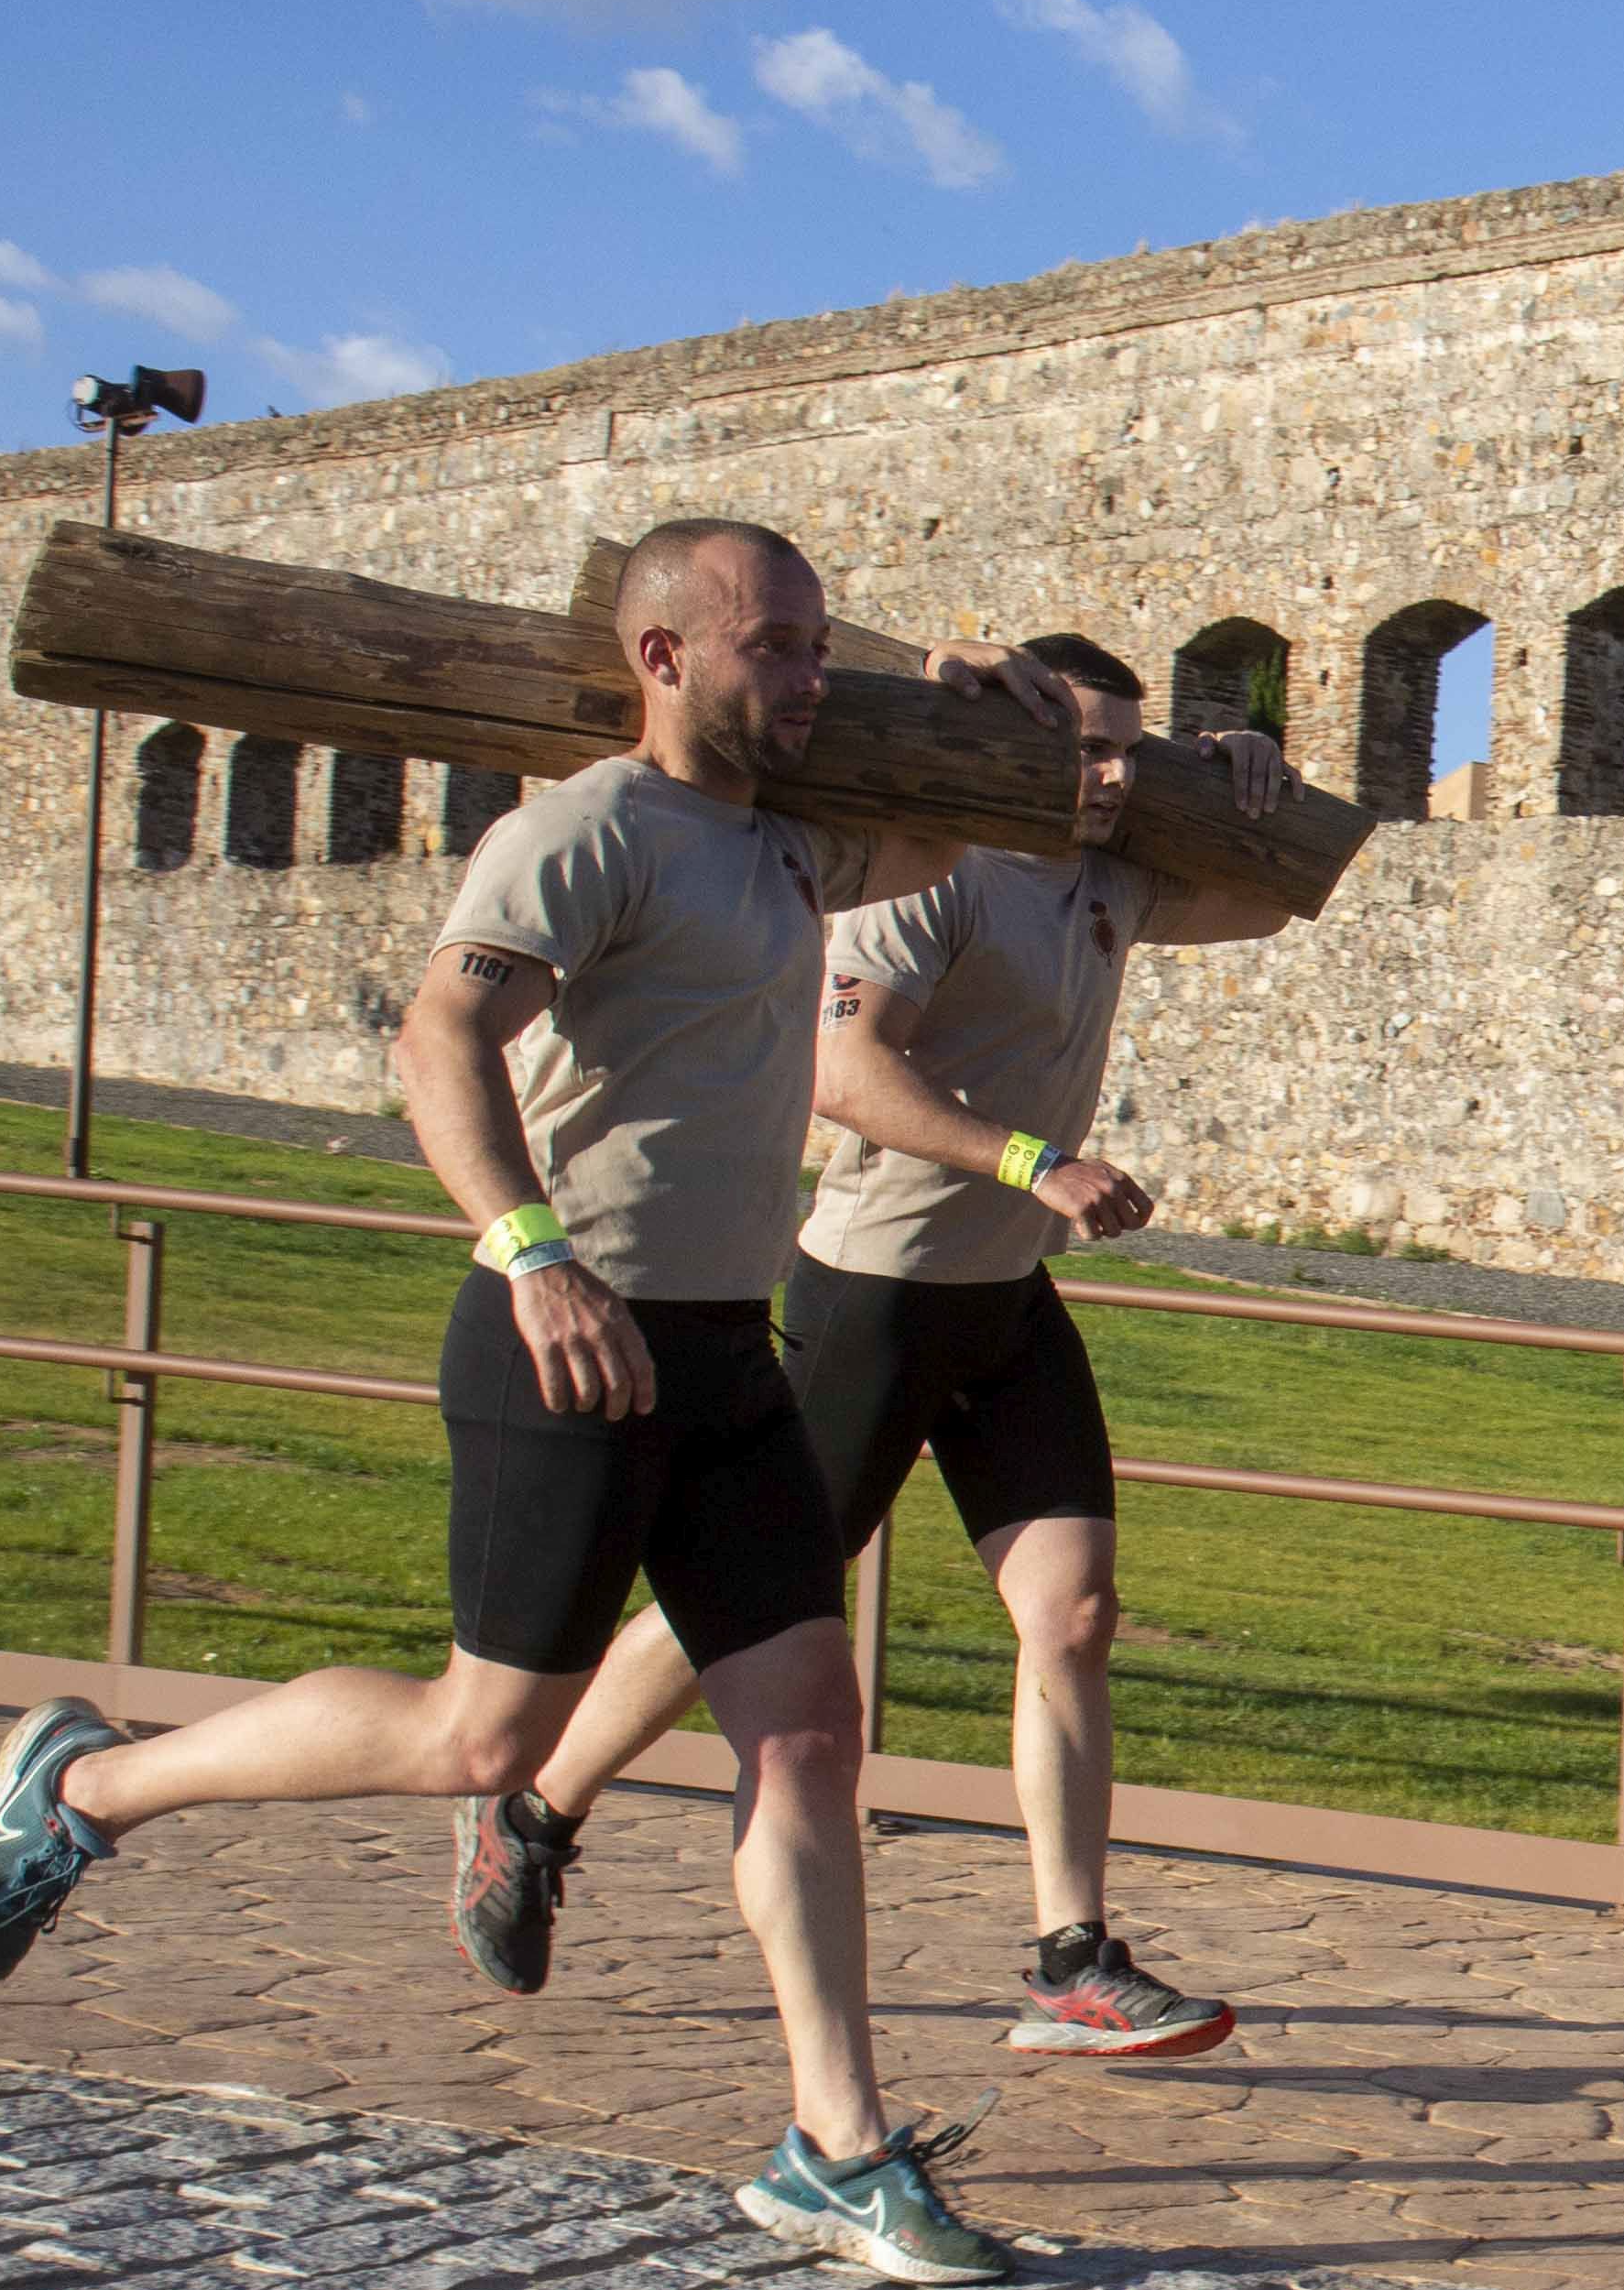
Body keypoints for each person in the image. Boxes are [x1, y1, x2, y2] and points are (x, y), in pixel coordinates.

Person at [0, 518, 1084, 2288]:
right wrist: (530, 1251)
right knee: (482, 1743)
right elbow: (436, 1043)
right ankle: (88, 1788)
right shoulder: (584, 832)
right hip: (568, 1332)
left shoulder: (791, 845)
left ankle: (836, 2147)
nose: (804, 675)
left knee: (806, 1737)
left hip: (723, 1350)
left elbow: (964, 830)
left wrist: (993, 712)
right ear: (663, 655)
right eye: (773, 645)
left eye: (816, 646)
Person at [468, 638, 1297, 2065]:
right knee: (742, 1612)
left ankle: (1070, 1960)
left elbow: (1263, 912)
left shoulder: (1115, 875)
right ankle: (535, 1810)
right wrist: (1031, 1159)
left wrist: (1239, 789)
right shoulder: (938, 876)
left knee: (1076, 1614)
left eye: (1127, 755)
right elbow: (842, 1069)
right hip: (877, 1290)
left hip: (1005, 1299)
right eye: (1079, 751)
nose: (1103, 781)